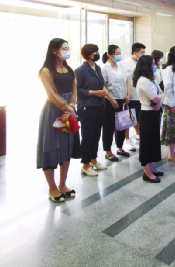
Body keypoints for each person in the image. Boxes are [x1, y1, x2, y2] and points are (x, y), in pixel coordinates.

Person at [37, 38, 78, 202]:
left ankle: (63, 184)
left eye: (68, 48)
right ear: (54, 51)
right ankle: (52, 188)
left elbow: (74, 89)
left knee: (66, 147)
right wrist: (67, 108)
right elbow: (51, 94)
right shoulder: (46, 71)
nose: (67, 51)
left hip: (69, 111)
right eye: (64, 48)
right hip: (54, 112)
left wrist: (72, 106)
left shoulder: (69, 69)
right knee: (51, 147)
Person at [76, 44, 107, 177]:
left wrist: (103, 92)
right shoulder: (81, 70)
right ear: (88, 54)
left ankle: (94, 160)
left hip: (99, 105)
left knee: (96, 135)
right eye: (95, 52)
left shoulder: (97, 68)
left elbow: (101, 84)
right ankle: (85, 165)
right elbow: (77, 90)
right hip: (86, 107)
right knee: (87, 136)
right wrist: (94, 93)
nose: (97, 54)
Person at [133, 55, 164, 183]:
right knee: (146, 143)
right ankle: (147, 172)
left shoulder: (151, 79)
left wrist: (160, 100)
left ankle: (151, 167)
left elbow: (161, 93)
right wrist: (160, 100)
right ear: (147, 66)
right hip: (147, 114)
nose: (155, 66)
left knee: (153, 142)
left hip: (154, 112)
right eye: (153, 64)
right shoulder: (143, 81)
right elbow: (156, 98)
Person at [101, 45, 131, 162]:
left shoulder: (122, 66)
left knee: (122, 125)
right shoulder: (105, 68)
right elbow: (103, 86)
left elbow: (127, 81)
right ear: (110, 55)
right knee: (109, 127)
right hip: (110, 101)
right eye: (117, 53)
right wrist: (112, 100)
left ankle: (120, 147)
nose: (119, 55)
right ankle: (108, 151)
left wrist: (128, 95)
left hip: (123, 99)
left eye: (120, 53)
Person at [120, 42, 146, 151]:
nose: (143, 54)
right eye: (142, 52)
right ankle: (127, 140)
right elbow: (124, 81)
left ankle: (138, 136)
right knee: (128, 119)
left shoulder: (142, 63)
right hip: (129, 96)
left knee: (139, 118)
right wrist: (127, 94)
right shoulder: (124, 64)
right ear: (135, 53)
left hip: (140, 96)